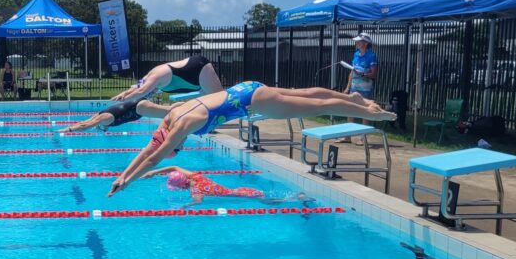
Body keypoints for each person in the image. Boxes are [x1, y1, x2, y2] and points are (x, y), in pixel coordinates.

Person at [107, 81, 396, 197]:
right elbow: (149, 151)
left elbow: (154, 158)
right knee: (304, 93)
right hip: (246, 87)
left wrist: (128, 181)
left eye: (176, 149)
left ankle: (370, 113)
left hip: (254, 102)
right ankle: (353, 98)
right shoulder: (172, 116)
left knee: (315, 107)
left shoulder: (182, 126)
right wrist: (123, 176)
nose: (178, 148)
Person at [60, 55, 224, 132]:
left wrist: (68, 130)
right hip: (142, 105)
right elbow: (137, 86)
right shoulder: (148, 78)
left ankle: (206, 120)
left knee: (221, 101)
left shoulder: (105, 118)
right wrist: (125, 93)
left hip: (197, 69)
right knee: (180, 109)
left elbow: (140, 91)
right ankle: (203, 120)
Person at [142, 166, 315, 207]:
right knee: (271, 199)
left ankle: (298, 198)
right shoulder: (197, 177)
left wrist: (186, 206)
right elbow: (174, 167)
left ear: (181, 186)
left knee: (273, 202)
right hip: (243, 190)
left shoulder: (196, 190)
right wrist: (154, 171)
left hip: (246, 195)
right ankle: (296, 197)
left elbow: (198, 201)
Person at [339, 32, 379, 144]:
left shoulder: (371, 56)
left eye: (358, 41)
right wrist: (347, 87)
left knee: (365, 111)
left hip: (365, 89)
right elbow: (352, 71)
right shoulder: (356, 54)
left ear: (365, 43)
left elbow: (373, 74)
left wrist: (363, 74)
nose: (356, 43)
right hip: (354, 87)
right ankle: (347, 137)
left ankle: (363, 138)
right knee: (350, 110)